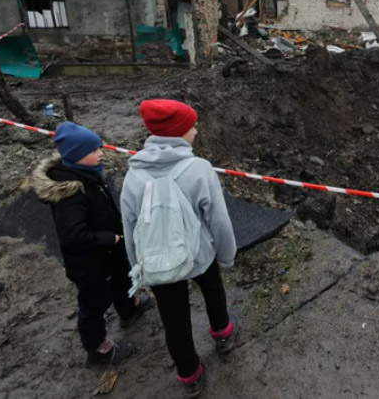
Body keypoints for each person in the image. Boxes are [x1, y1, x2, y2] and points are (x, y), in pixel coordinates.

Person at [120, 99, 237, 397]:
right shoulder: (199, 169)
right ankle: (222, 333)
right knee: (212, 291)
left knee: (174, 319)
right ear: (177, 133)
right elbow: (219, 220)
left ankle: (189, 374)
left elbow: (130, 229)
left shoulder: (134, 173)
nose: (196, 131)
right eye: (191, 126)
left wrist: (140, 270)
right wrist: (226, 255)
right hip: (199, 255)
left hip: (159, 265)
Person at [28, 122, 150, 365]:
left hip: (110, 253)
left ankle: (128, 309)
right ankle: (97, 348)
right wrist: (111, 238)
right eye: (94, 151)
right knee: (94, 304)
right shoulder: (70, 194)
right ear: (77, 156)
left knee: (122, 279)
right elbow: (73, 236)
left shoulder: (89, 174)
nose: (101, 153)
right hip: (90, 264)